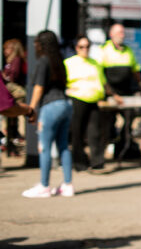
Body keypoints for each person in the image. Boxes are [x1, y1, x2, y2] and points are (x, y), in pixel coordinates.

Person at [22, 30, 74, 198]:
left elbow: (39, 87)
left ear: (41, 44)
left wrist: (31, 109)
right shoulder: (60, 61)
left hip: (50, 106)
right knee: (63, 146)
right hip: (66, 104)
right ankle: (67, 185)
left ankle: (44, 186)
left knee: (44, 146)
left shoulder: (43, 61)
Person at [65, 35, 106, 171]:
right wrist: (67, 90)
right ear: (76, 48)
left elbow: (103, 82)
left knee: (94, 132)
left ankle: (97, 161)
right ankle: (79, 162)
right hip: (78, 99)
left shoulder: (95, 63)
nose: (85, 49)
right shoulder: (69, 63)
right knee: (77, 132)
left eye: (87, 46)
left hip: (94, 100)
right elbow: (62, 81)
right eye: (82, 46)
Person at [99, 23, 139, 158]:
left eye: (123, 32)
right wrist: (112, 94)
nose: (121, 35)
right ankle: (104, 151)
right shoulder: (104, 50)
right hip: (110, 94)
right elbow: (100, 75)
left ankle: (122, 147)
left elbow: (135, 71)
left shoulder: (128, 51)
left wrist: (139, 87)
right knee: (106, 124)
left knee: (129, 119)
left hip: (126, 94)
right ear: (111, 35)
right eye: (119, 33)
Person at [2, 38, 28, 154]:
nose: (4, 51)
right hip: (8, 95)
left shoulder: (16, 60)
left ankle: (17, 140)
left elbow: (14, 76)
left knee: (15, 117)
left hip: (14, 93)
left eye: (6, 48)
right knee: (10, 119)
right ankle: (10, 143)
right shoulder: (10, 61)